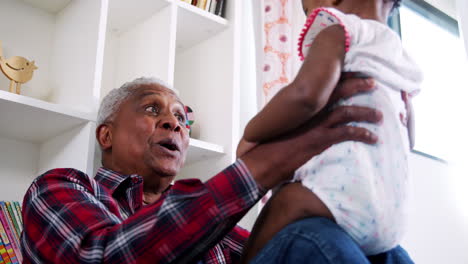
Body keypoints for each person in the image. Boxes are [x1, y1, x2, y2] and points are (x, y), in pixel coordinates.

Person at [20, 76, 408, 264]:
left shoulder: (213, 226)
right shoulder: (61, 187)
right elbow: (101, 258)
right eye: (152, 109)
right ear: (106, 135)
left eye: (181, 117)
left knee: (380, 250)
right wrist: (262, 165)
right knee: (310, 236)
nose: (174, 124)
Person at [239, 0, 422, 262]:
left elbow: (306, 96)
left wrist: (252, 132)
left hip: (345, 197)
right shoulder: (401, 59)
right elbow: (411, 139)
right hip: (393, 219)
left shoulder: (340, 30)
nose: (308, 17)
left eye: (306, 9)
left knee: (284, 201)